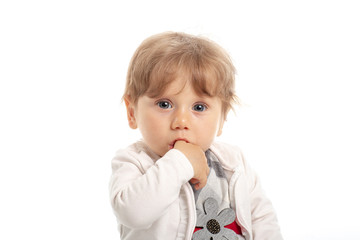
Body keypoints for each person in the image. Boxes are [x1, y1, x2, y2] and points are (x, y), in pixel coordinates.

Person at [109, 32, 283, 240]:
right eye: (164, 104)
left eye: (199, 107)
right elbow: (133, 213)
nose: (181, 121)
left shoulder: (233, 161)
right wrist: (180, 161)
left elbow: (262, 218)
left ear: (222, 119)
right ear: (132, 113)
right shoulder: (133, 162)